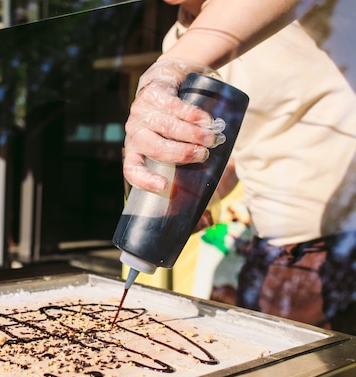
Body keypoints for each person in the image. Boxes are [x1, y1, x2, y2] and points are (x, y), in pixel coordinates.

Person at [124, 0, 356, 334]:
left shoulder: (184, 52)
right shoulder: (178, 38)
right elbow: (232, 147)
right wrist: (191, 192)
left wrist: (170, 66)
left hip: (339, 244)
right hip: (271, 247)